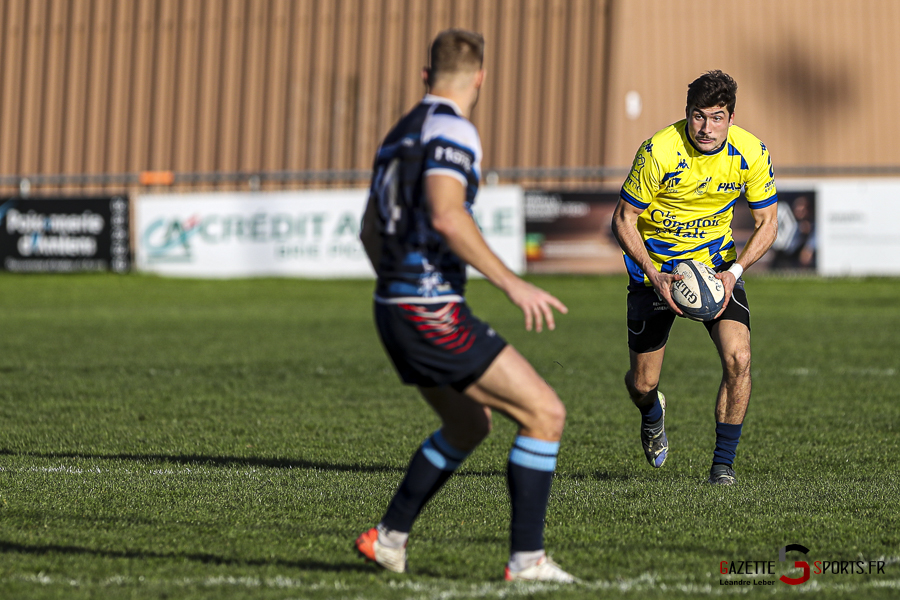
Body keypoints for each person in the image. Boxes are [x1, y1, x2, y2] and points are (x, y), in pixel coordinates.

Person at [355, 29, 575, 582]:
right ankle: (527, 561)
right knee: (545, 414)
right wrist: (511, 283)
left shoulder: (399, 132)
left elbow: (368, 231)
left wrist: (399, 288)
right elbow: (448, 214)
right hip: (430, 311)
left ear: (425, 76)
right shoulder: (455, 129)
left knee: (468, 425)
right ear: (480, 77)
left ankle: (389, 539)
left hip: (393, 308)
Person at [610, 70, 778, 486]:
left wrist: (732, 273)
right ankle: (652, 414)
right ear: (686, 114)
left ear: (731, 118)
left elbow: (768, 222)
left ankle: (722, 466)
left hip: (716, 269)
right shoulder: (659, 151)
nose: (706, 128)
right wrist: (653, 273)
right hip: (657, 274)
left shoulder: (751, 152)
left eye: (717, 117)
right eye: (698, 116)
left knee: (739, 358)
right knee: (642, 383)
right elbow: (623, 219)